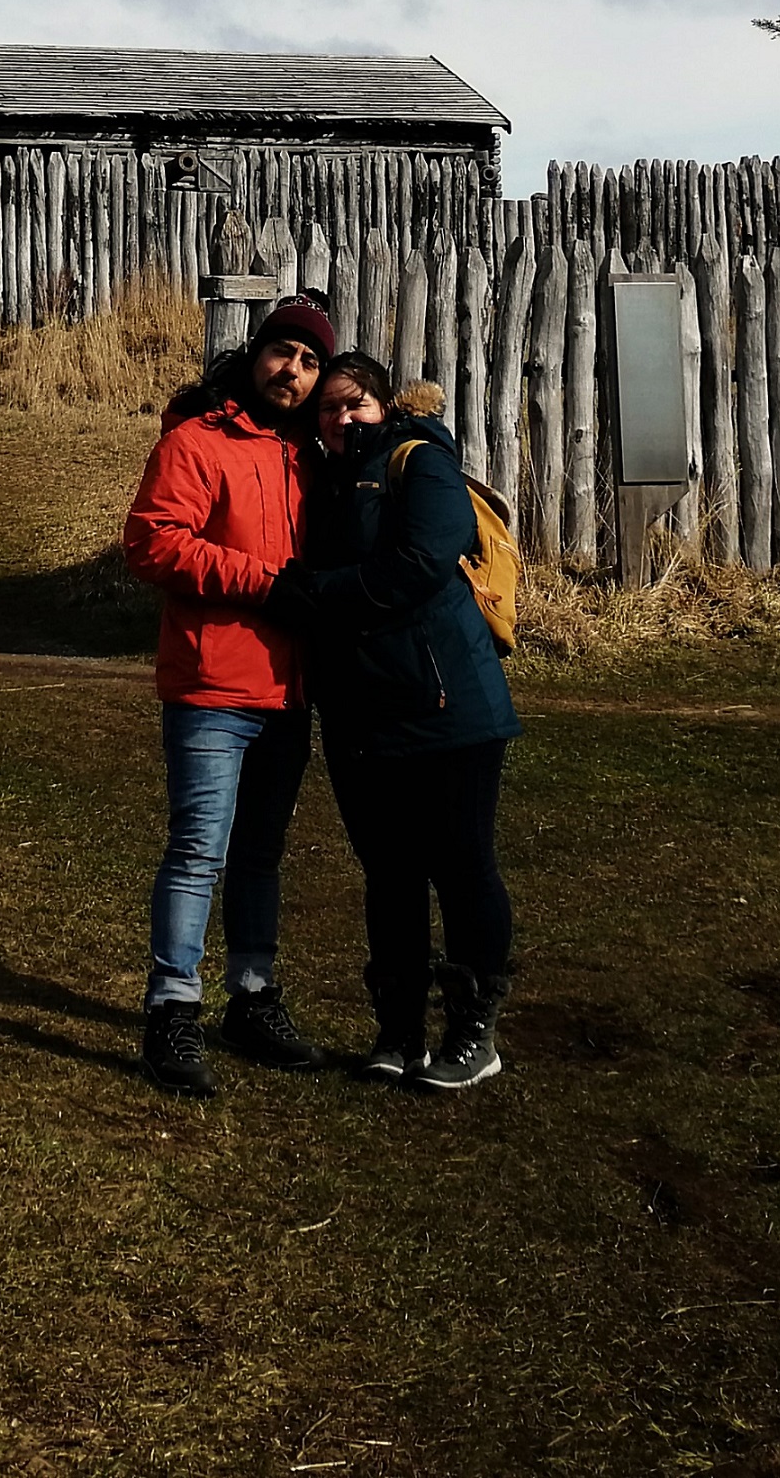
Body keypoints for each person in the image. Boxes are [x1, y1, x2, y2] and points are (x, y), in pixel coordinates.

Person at [271, 354, 522, 1091]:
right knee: (388, 875)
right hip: (360, 711)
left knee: (462, 865)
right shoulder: (326, 480)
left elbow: (418, 565)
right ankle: (399, 1030)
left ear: (384, 405)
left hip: (447, 705)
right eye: (328, 409)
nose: (341, 418)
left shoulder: (421, 464)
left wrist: (313, 594)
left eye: (355, 405)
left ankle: (474, 1030)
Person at [121, 298, 336, 1096]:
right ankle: (171, 1010)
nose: (294, 372)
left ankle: (251, 998)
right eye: (284, 353)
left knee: (258, 855)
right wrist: (265, 586)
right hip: (214, 681)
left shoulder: (307, 453)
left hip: (289, 688)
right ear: (255, 355)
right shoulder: (197, 440)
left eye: (311, 362)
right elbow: (151, 542)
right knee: (198, 852)